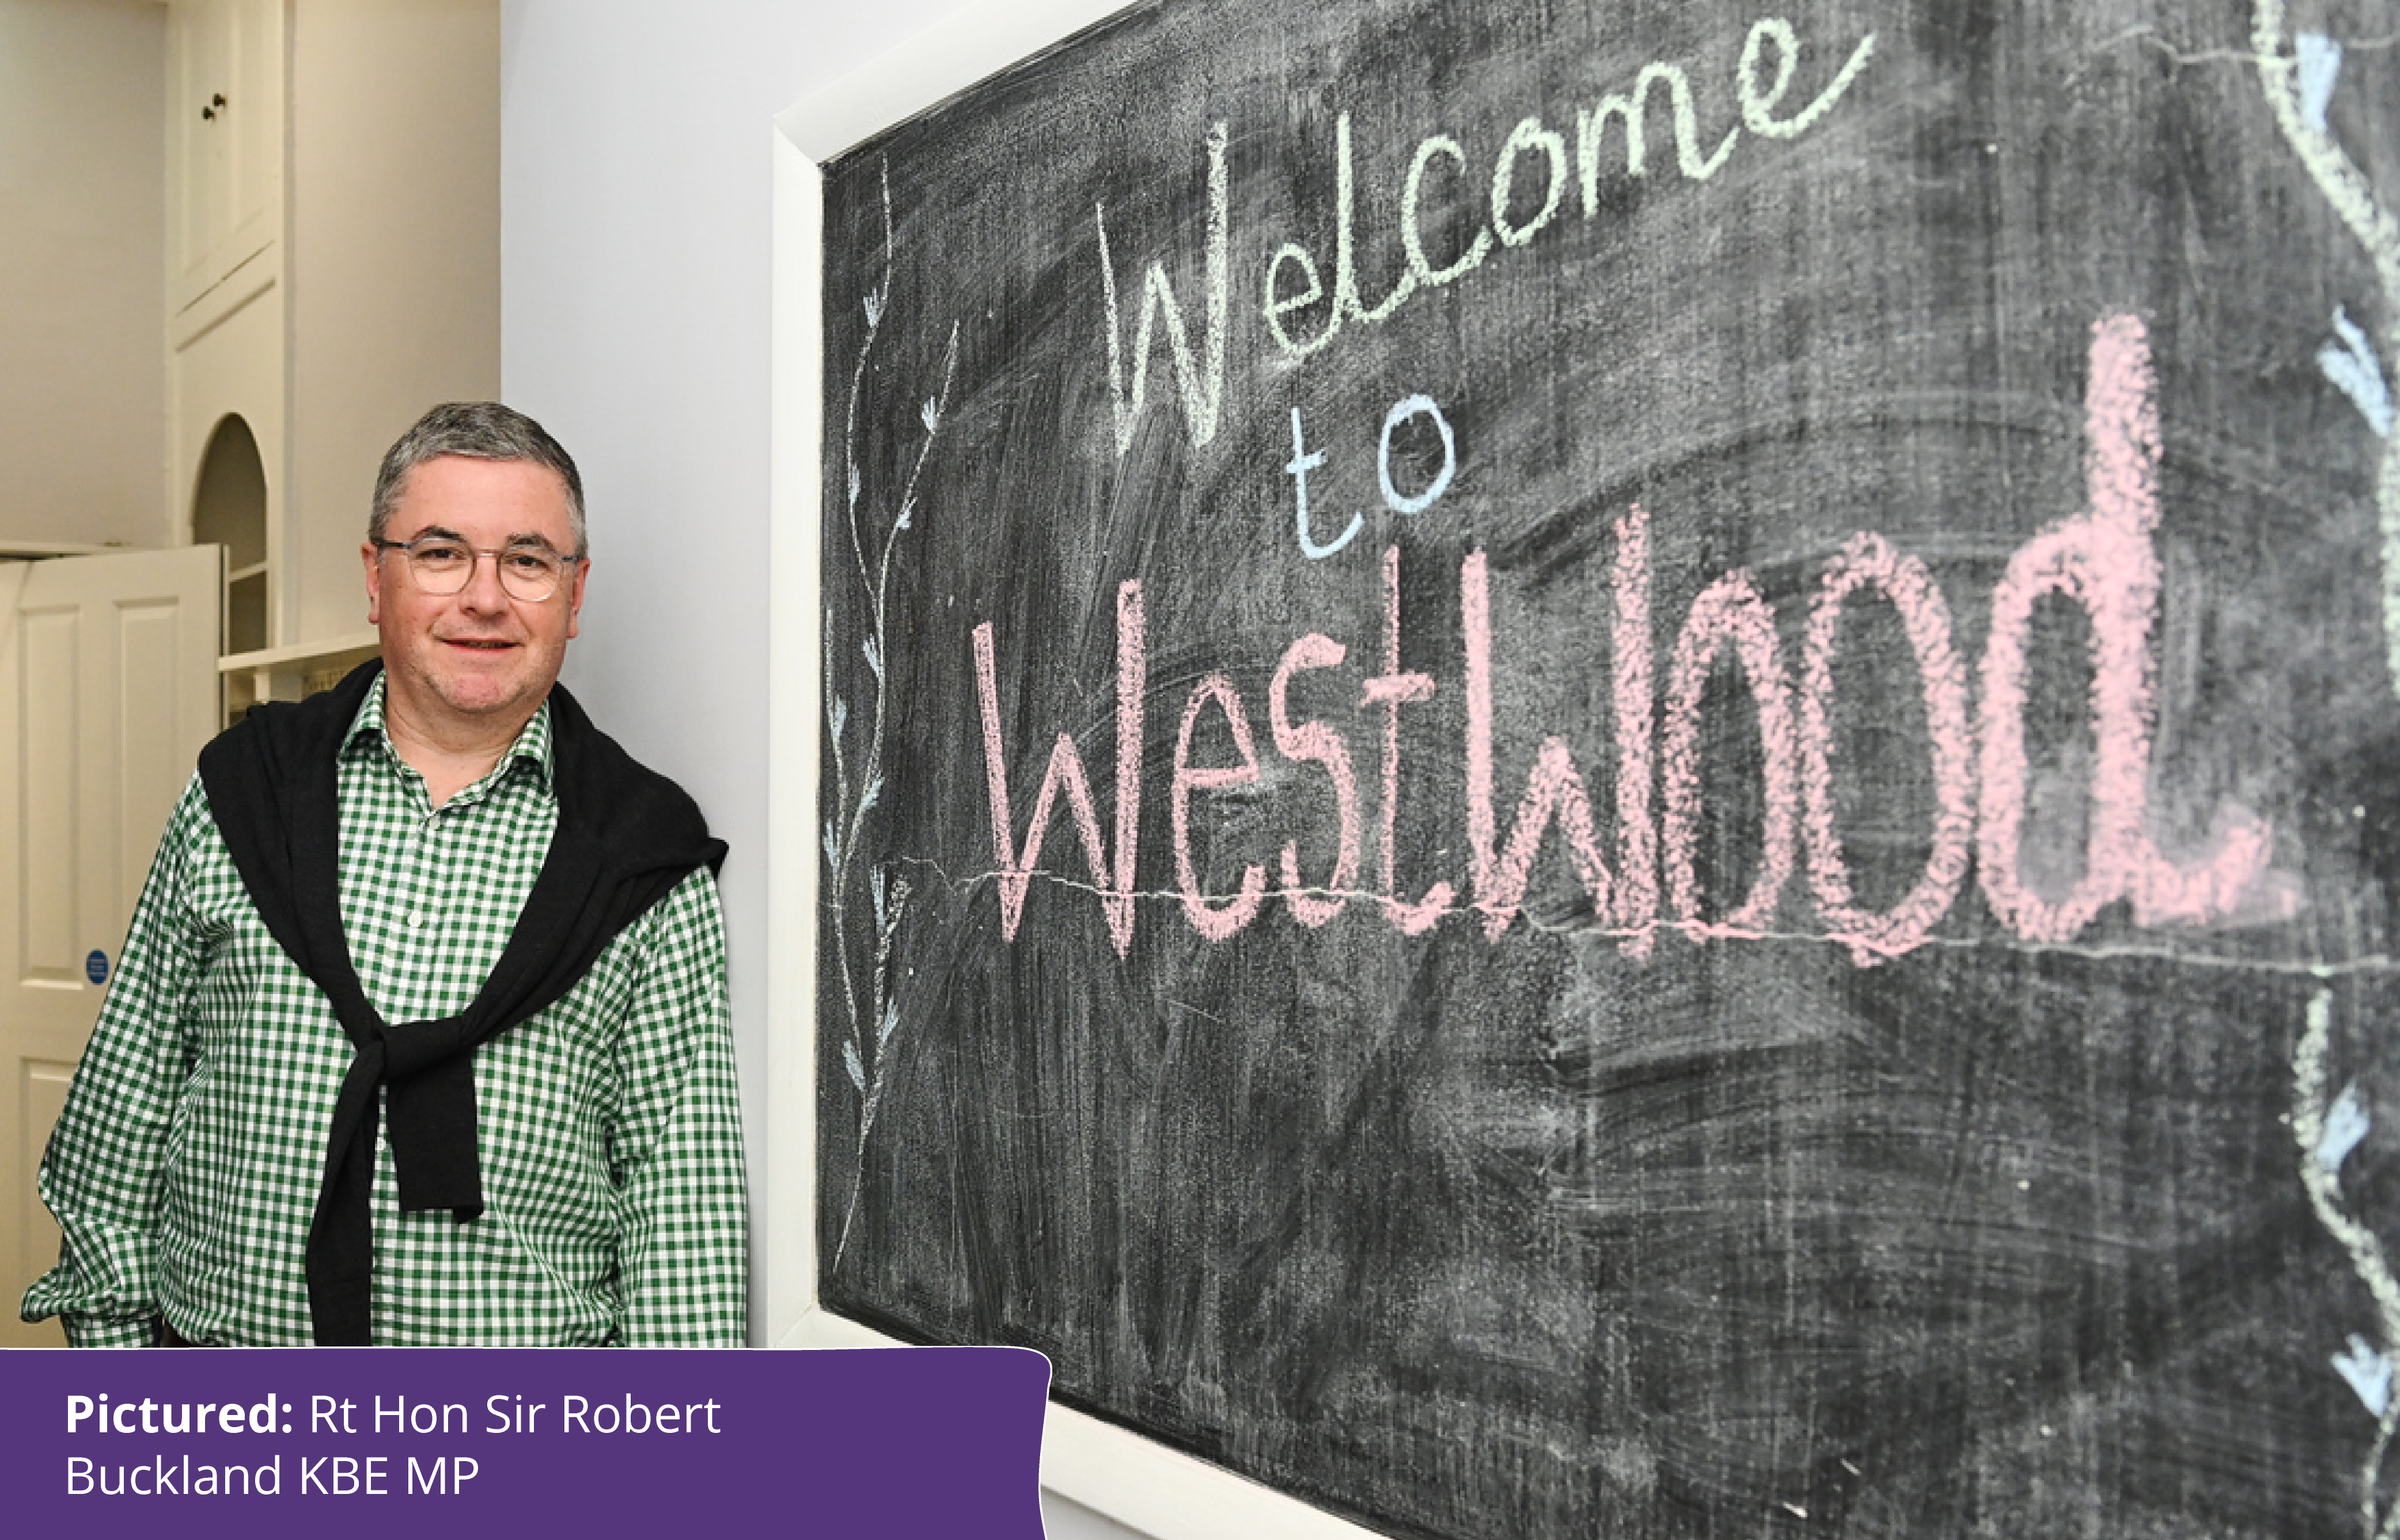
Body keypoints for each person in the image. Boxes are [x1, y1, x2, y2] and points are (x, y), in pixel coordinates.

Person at [20, 403, 744, 1346]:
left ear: (574, 594)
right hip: (227, 1450)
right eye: (441, 552)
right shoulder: (244, 794)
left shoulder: (643, 853)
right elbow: (122, 1121)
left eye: (527, 561)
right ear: (376, 577)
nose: (484, 597)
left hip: (520, 1458)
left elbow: (680, 1214)